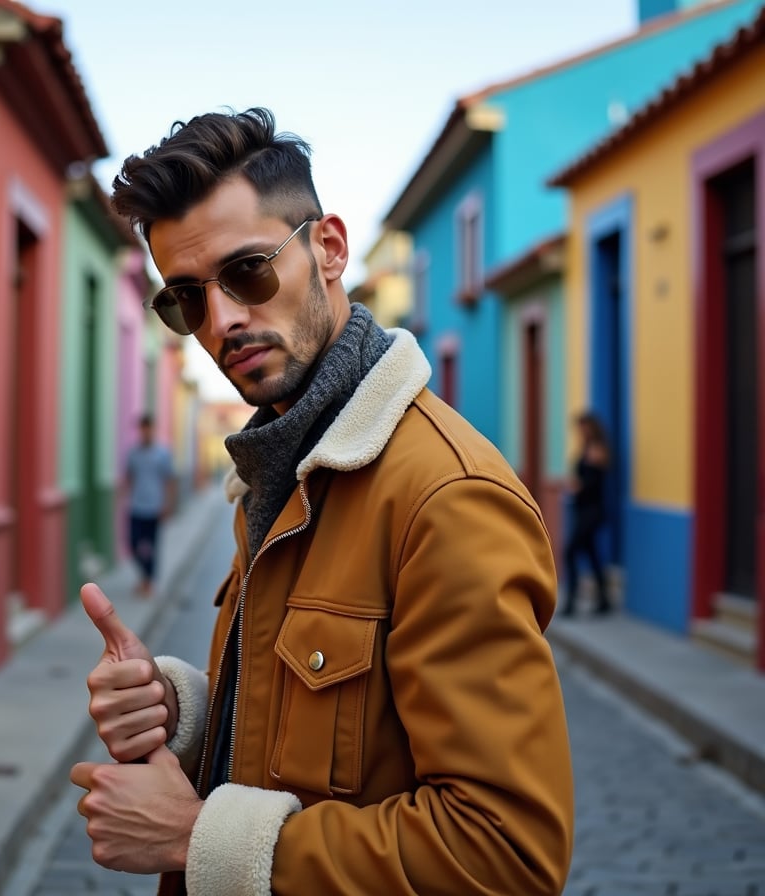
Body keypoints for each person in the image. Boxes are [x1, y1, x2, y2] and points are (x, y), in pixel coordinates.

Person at [70, 107, 573, 895]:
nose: (224, 319)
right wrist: (181, 711)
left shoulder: (446, 498)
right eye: (188, 299)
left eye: (248, 272)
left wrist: (196, 835)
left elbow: (505, 853)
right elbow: (316, 728)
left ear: (328, 249)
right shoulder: (281, 465)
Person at [562, 410, 611, 617]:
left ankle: (571, 601)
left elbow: (594, 481)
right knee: (591, 554)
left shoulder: (598, 449)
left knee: (570, 551)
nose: (580, 431)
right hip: (582, 509)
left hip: (592, 511)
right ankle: (604, 601)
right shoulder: (586, 448)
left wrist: (578, 487)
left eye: (583, 427)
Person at [125, 413, 176, 596]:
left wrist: (167, 504)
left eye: (148, 428)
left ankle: (147, 582)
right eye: (142, 428)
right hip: (136, 507)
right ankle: (144, 576)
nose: (145, 432)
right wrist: (126, 499)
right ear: (140, 430)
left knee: (152, 546)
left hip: (154, 507)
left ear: (153, 429)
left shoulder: (163, 453)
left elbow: (169, 480)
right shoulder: (133, 453)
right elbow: (128, 477)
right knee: (133, 544)